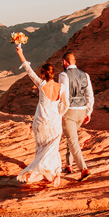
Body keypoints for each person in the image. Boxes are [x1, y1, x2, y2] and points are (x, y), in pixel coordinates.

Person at [14, 44, 68, 187]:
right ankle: (56, 173)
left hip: (41, 122)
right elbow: (66, 104)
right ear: (53, 73)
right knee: (53, 149)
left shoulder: (41, 84)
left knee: (42, 149)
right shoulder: (60, 87)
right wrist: (59, 114)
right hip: (54, 122)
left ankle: (46, 172)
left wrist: (20, 53)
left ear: (43, 74)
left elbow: (28, 69)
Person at [59, 52, 94, 180]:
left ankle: (84, 169)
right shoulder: (85, 75)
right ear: (75, 61)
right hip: (82, 110)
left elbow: (64, 96)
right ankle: (68, 164)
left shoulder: (63, 75)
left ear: (64, 62)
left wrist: (61, 112)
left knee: (72, 140)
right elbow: (90, 95)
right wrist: (88, 112)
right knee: (71, 137)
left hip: (70, 111)